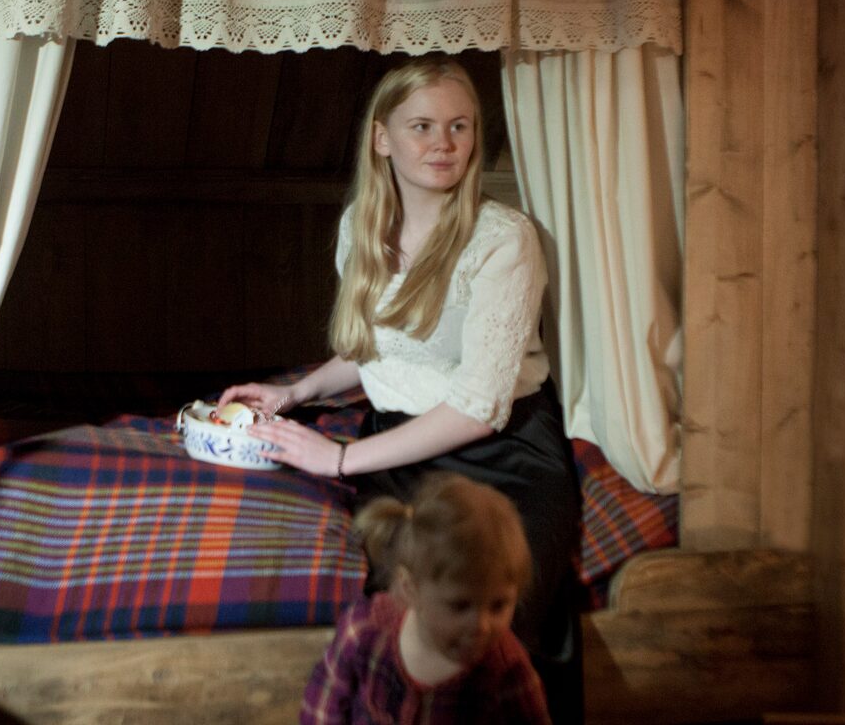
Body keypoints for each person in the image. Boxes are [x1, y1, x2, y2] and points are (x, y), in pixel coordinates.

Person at [222, 57, 583, 720]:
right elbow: (378, 352)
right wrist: (294, 395)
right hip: (400, 444)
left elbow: (480, 405)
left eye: (458, 126)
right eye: (422, 126)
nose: (443, 144)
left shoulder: (503, 238)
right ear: (382, 137)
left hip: (507, 453)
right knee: (401, 613)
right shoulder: (363, 223)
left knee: (492, 614)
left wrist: (335, 459)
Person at [300, 474, 551, 724]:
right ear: (410, 588)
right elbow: (324, 704)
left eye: (498, 605)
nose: (481, 625)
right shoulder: (363, 629)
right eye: (460, 605)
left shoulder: (507, 670)